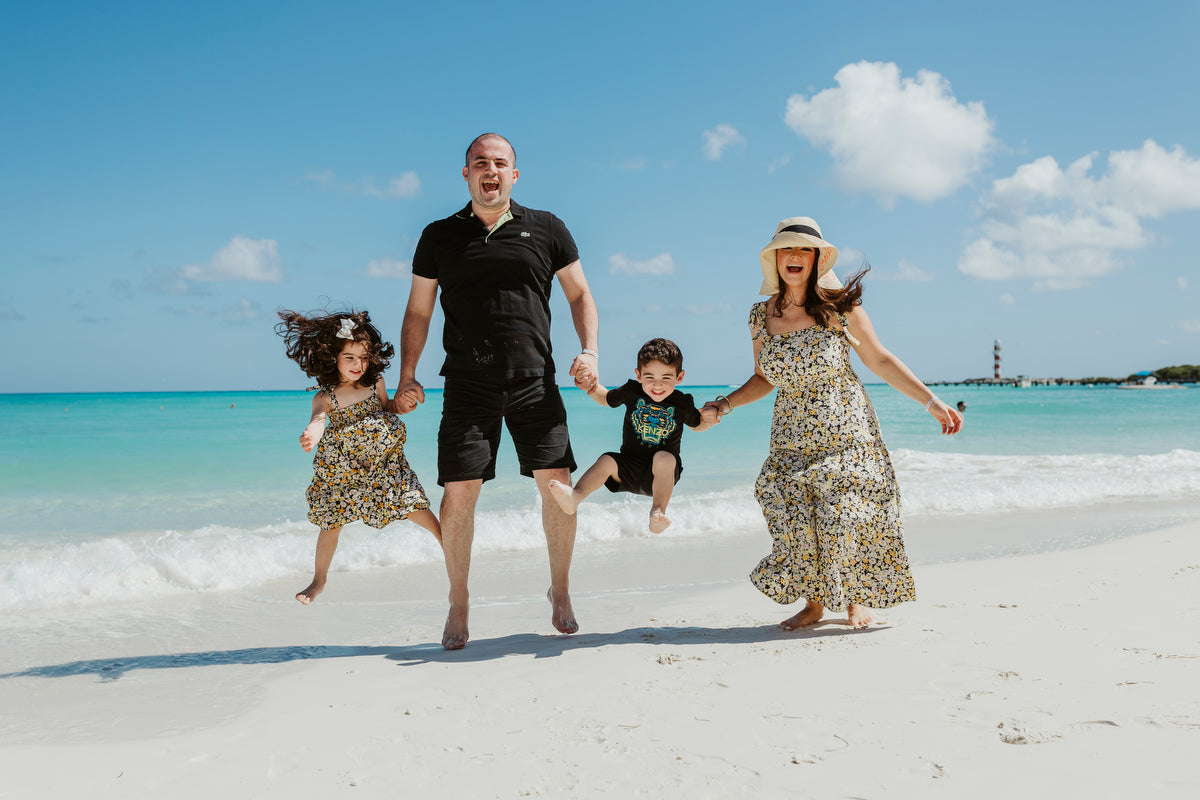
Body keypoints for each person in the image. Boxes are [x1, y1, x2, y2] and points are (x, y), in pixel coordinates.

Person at [392, 133, 599, 649]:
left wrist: (589, 350)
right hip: (466, 383)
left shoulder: (547, 228)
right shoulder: (439, 235)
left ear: (514, 174)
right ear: (465, 173)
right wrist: (407, 373)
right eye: (480, 162)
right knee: (459, 493)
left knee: (558, 485)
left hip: (535, 381)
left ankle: (561, 590)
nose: (490, 170)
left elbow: (579, 293)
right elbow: (418, 310)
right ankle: (458, 600)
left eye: (500, 163)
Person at [705, 217, 962, 630]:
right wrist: (723, 406)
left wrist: (930, 401)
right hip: (790, 433)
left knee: (845, 511)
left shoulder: (840, 306)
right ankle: (815, 603)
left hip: (845, 426)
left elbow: (878, 358)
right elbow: (763, 377)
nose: (793, 256)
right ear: (774, 259)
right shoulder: (761, 315)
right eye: (786, 249)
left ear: (817, 258)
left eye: (803, 249)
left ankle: (857, 598)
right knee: (797, 515)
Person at [277, 309, 441, 605]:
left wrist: (403, 404)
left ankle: (446, 541)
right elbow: (317, 419)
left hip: (384, 466)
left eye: (363, 357)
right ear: (333, 358)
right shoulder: (326, 396)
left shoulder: (374, 382)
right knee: (331, 525)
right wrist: (311, 434)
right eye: (350, 358)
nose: (358, 365)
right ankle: (319, 579)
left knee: (411, 503)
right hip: (343, 472)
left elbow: (387, 408)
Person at [548, 338, 718, 534]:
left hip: (661, 476)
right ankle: (574, 498)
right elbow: (606, 398)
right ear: (638, 375)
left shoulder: (681, 403)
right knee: (606, 460)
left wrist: (710, 419)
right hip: (628, 468)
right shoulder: (631, 391)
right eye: (649, 377)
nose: (657, 385)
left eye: (666, 377)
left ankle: (657, 513)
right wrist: (591, 387)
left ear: (679, 377)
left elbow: (697, 425)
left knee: (663, 457)